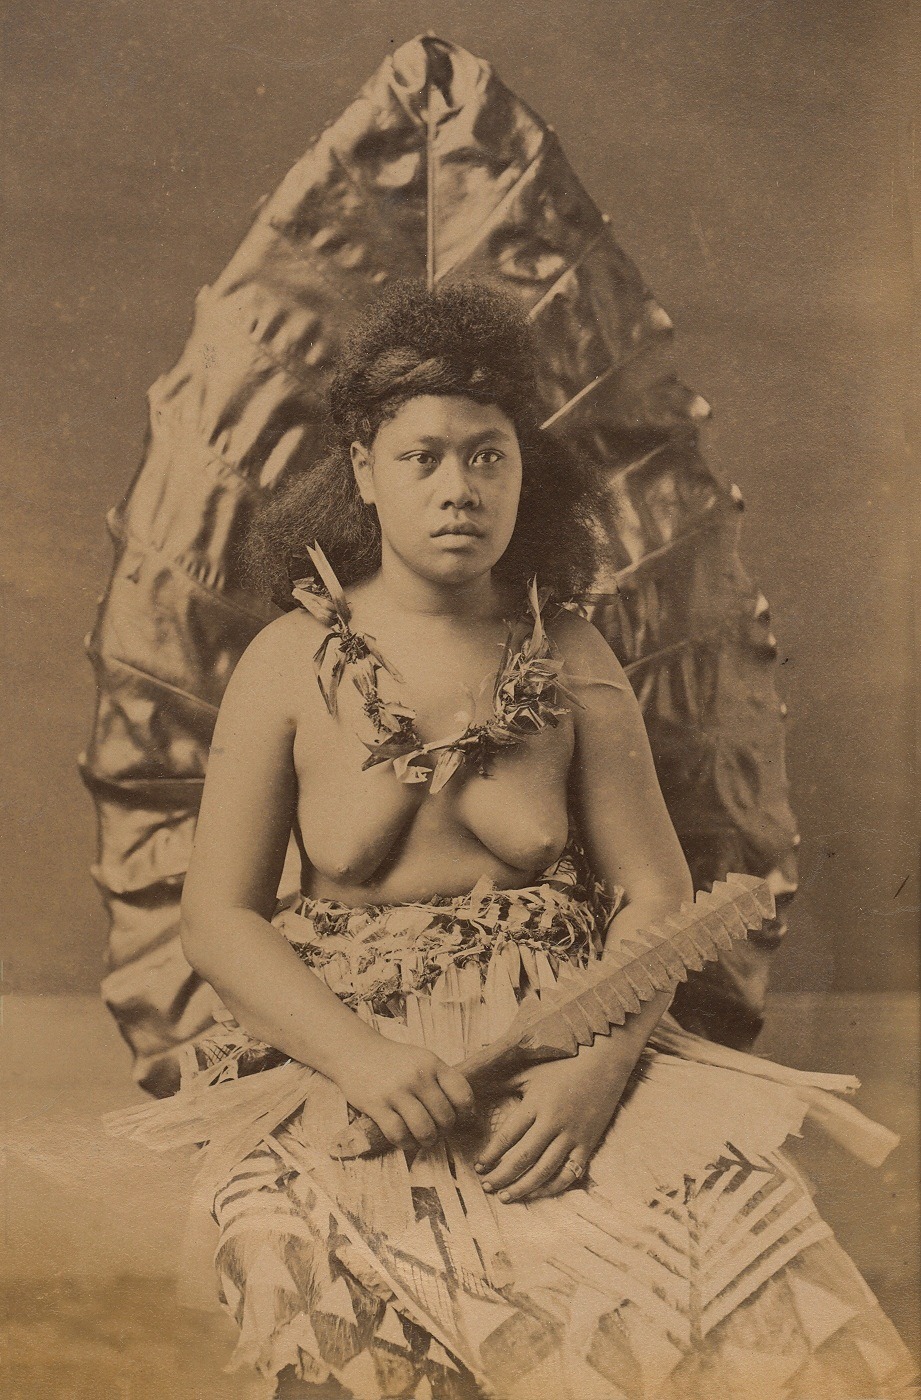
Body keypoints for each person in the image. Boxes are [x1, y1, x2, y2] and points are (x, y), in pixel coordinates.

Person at [110, 281, 917, 1400]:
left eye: (489, 456)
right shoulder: (287, 665)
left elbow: (656, 898)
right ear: (361, 472)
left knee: (760, 1267)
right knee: (320, 1292)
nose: (459, 490)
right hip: (355, 1071)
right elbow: (219, 916)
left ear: (525, 473)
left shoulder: (573, 652)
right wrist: (363, 1059)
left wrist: (594, 1072)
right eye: (425, 457)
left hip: (571, 1055)